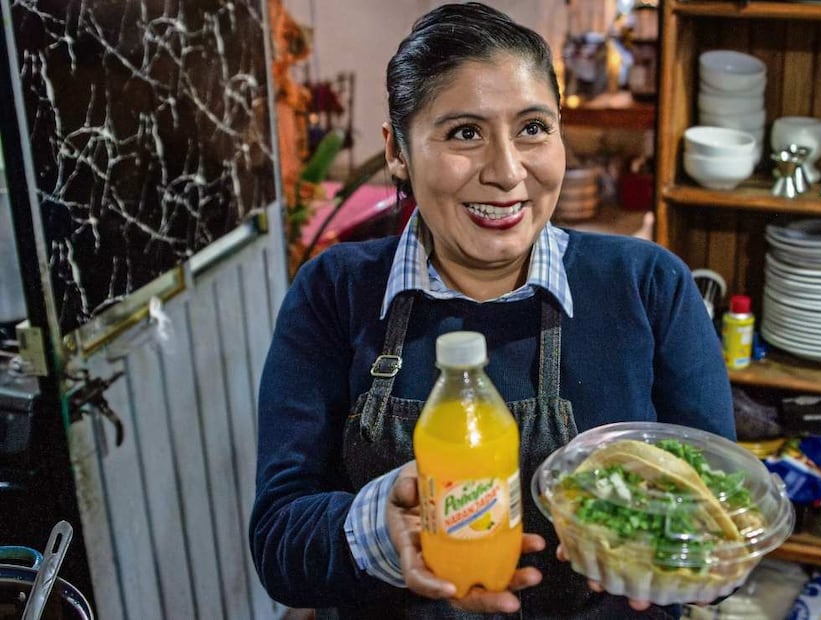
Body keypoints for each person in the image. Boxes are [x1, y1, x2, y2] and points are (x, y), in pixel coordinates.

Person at [250, 3, 734, 618]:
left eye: (533, 128)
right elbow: (278, 546)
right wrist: (375, 531)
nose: (507, 173)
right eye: (464, 133)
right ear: (398, 152)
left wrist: (679, 558)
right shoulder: (334, 292)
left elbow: (725, 517)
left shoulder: (646, 286)